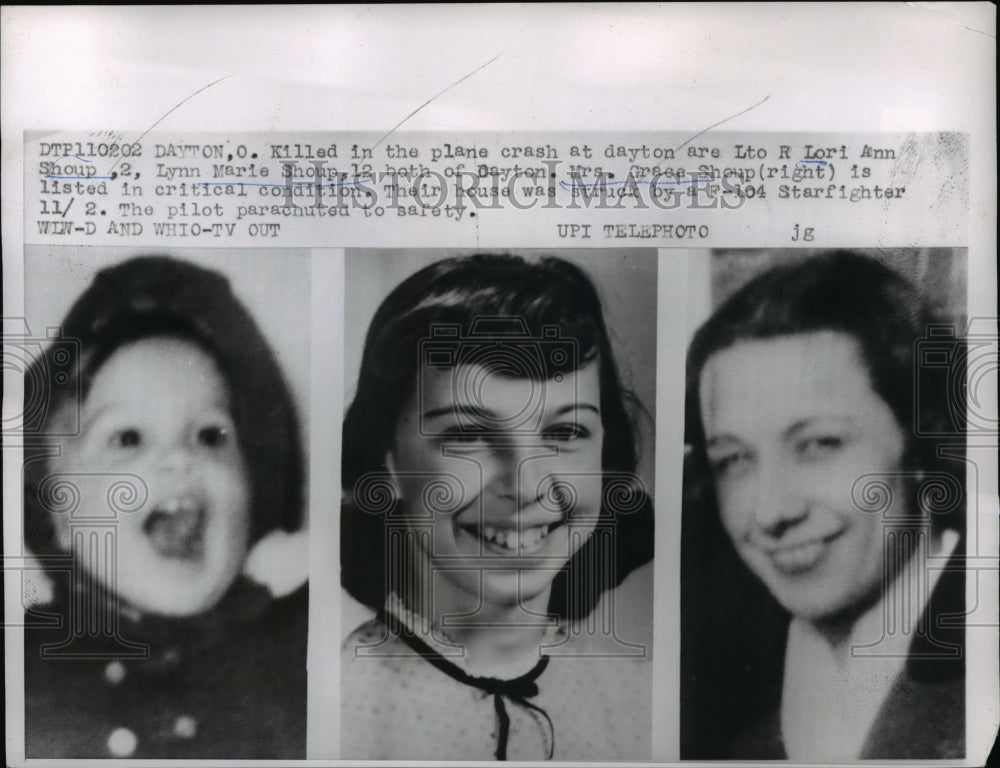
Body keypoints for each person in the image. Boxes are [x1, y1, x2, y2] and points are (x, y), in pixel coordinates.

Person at [340, 253, 655, 760]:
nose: (526, 484)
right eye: (467, 434)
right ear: (387, 463)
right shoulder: (331, 705)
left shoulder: (646, 705)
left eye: (564, 431)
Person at [681, 250, 965, 760]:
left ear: (923, 441)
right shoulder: (711, 699)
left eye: (818, 445)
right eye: (735, 459)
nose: (771, 512)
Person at [22, 255, 308, 759]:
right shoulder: (24, 675)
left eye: (211, 435)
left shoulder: (304, 654)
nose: (179, 457)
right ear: (58, 512)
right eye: (128, 436)